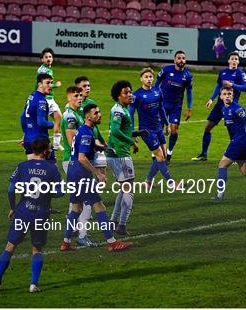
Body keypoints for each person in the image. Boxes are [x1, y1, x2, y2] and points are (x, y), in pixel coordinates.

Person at [0, 138, 64, 293]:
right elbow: (60, 192)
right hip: (41, 213)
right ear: (45, 151)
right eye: (50, 148)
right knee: (36, 249)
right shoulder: (52, 169)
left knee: (10, 247)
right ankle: (33, 284)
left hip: (23, 211)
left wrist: (13, 208)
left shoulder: (22, 166)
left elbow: (11, 190)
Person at [60, 104, 133, 252]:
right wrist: (98, 173)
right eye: (96, 113)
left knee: (76, 207)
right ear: (88, 116)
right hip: (81, 173)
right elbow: (82, 158)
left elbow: (85, 147)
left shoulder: (84, 129)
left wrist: (103, 148)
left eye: (99, 112)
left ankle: (65, 242)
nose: (99, 115)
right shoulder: (87, 132)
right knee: (99, 206)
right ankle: (112, 242)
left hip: (72, 172)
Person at [192, 52, 246, 162]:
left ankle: (235, 157)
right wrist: (211, 99)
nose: (234, 61)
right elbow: (218, 86)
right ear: (228, 61)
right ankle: (204, 154)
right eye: (232, 59)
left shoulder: (240, 74)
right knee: (207, 127)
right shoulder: (223, 72)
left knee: (233, 133)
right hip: (219, 104)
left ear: (238, 62)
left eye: (236, 59)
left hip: (231, 106)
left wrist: (232, 85)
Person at [212, 86, 246, 201]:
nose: (227, 96)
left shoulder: (237, 109)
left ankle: (219, 196)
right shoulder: (223, 109)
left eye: (229, 94)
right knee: (245, 170)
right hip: (238, 142)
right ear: (221, 96)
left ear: (233, 96)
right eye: (225, 94)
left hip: (240, 141)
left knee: (222, 165)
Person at [106, 81, 146, 236]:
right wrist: (132, 142)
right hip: (120, 155)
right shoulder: (118, 111)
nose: (130, 95)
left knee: (123, 190)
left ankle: (113, 221)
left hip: (116, 154)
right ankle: (121, 225)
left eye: (130, 92)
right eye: (126, 93)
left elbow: (123, 130)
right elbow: (115, 131)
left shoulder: (121, 109)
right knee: (129, 191)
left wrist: (137, 133)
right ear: (118, 96)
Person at [60, 86, 97, 247]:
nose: (79, 98)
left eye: (80, 95)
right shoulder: (70, 117)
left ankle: (69, 237)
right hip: (74, 161)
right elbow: (72, 143)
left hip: (75, 161)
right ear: (69, 98)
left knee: (77, 204)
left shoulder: (77, 114)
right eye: (75, 95)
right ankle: (82, 235)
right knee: (89, 202)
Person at [130, 68, 173, 186]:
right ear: (141, 79)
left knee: (162, 156)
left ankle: (148, 181)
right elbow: (131, 114)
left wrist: (167, 124)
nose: (149, 79)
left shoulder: (157, 91)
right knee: (159, 156)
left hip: (159, 127)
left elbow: (161, 109)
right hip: (146, 131)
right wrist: (133, 133)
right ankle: (171, 183)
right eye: (146, 77)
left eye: (150, 77)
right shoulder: (136, 95)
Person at [154, 50, 193, 164]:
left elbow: (189, 92)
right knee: (159, 129)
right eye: (179, 58)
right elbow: (156, 85)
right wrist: (154, 98)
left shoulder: (188, 75)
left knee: (174, 130)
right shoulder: (166, 70)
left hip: (176, 106)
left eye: (183, 58)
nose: (181, 60)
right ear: (175, 60)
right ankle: (157, 153)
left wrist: (189, 108)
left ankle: (169, 153)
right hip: (162, 104)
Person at [75, 76, 107, 175]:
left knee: (102, 167)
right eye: (84, 86)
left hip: (95, 138)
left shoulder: (91, 103)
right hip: (85, 140)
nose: (87, 88)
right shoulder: (75, 105)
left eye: (88, 85)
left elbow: (95, 125)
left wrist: (102, 140)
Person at [21, 73, 56, 163]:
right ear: (40, 84)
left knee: (33, 170)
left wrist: (26, 133)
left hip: (28, 140)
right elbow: (41, 122)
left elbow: (23, 116)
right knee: (52, 169)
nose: (50, 86)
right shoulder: (41, 101)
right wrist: (53, 124)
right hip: (40, 140)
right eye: (47, 83)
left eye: (51, 83)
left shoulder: (31, 96)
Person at [36, 48, 63, 150]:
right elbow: (44, 84)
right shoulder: (43, 70)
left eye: (50, 57)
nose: (48, 59)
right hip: (44, 99)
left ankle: (56, 144)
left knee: (59, 118)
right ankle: (34, 142)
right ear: (42, 59)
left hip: (50, 99)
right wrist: (56, 85)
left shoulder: (48, 69)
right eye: (46, 57)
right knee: (40, 122)